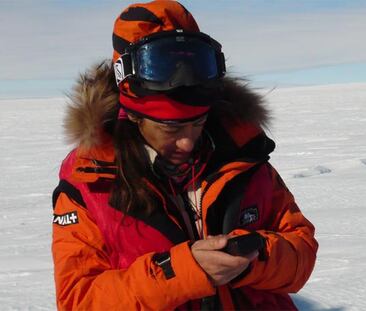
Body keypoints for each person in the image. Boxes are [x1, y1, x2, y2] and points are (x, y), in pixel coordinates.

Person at [52, 1, 318, 310]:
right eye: (170, 128)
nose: (187, 143)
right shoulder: (90, 181)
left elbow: (302, 251)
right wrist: (180, 272)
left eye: (197, 123)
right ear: (135, 118)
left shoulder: (244, 155)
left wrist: (253, 259)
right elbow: (78, 301)